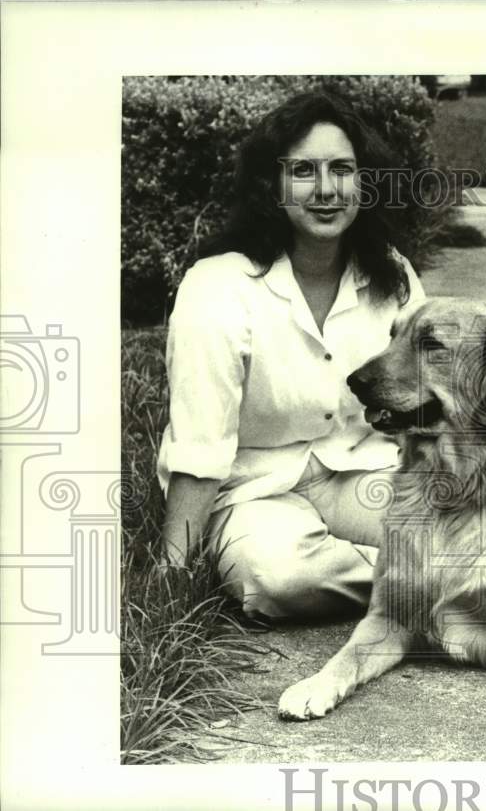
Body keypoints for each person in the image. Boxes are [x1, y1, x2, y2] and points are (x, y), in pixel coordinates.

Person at [157, 89, 425, 619]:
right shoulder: (218, 286)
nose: (326, 189)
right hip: (256, 492)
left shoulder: (391, 276)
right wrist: (171, 572)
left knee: (464, 529)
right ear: (271, 185)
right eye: (303, 170)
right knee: (276, 577)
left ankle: (426, 575)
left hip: (362, 476)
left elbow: (432, 395)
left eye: (342, 169)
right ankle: (434, 585)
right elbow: (199, 444)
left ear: (364, 183)